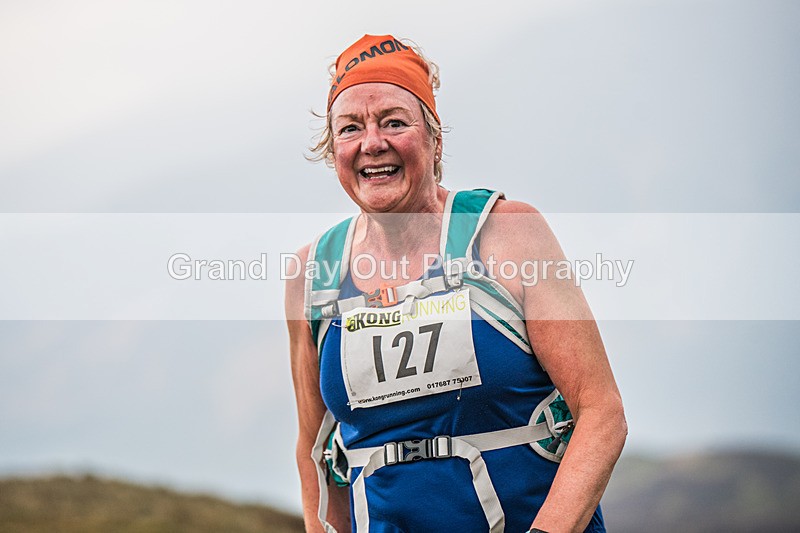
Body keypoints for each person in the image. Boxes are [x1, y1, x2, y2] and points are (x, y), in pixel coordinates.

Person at [286, 34, 627, 533]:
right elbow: (314, 453)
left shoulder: (508, 234)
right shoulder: (313, 275)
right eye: (349, 128)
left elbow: (601, 413)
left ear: (433, 136)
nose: (371, 143)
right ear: (332, 148)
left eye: (394, 122)